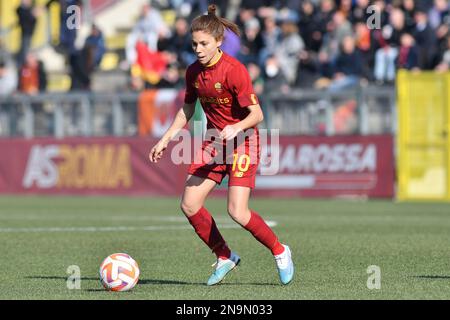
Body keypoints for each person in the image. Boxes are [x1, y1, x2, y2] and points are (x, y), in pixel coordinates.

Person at [149, 4, 294, 286]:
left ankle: (280, 250)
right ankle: (225, 255)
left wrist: (236, 127)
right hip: (216, 143)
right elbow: (187, 109)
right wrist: (166, 138)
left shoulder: (234, 70)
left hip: (243, 142)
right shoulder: (193, 72)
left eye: (204, 43)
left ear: (218, 42)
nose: (199, 49)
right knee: (189, 205)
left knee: (237, 211)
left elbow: (257, 114)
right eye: (194, 44)